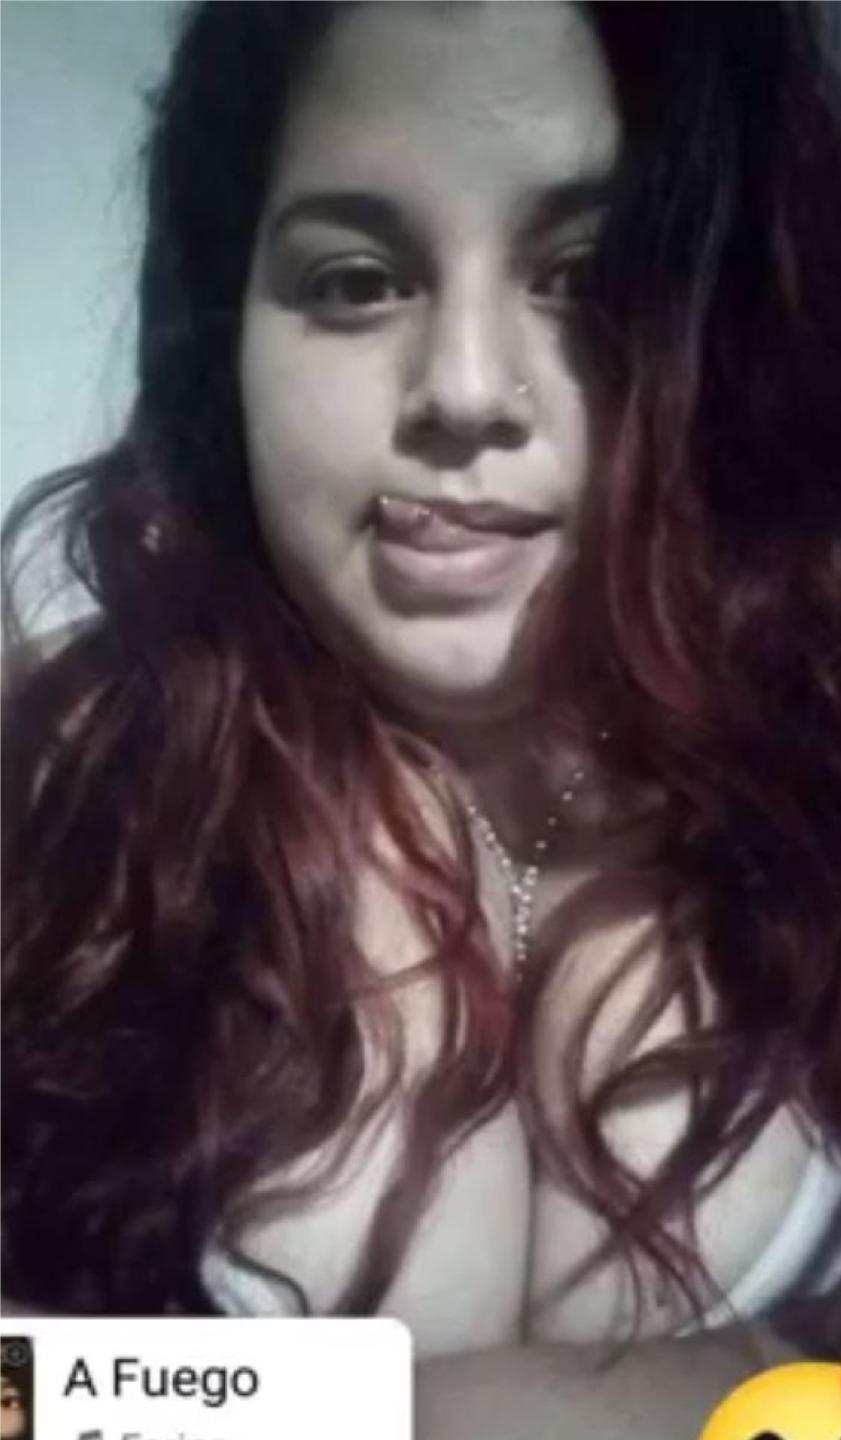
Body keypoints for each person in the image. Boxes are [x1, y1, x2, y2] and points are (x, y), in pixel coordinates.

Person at [3, 2, 840, 1434]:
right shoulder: (62, 787)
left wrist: (731, 1378)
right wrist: (365, 1416)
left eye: (588, 278)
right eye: (354, 282)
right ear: (226, 328)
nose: (462, 392)